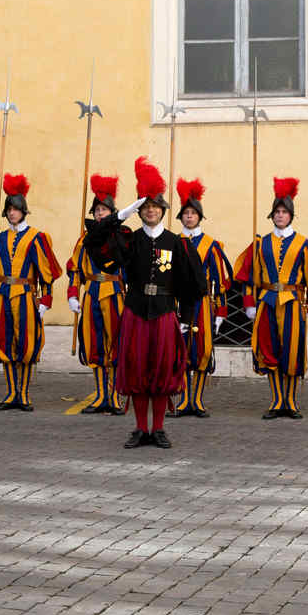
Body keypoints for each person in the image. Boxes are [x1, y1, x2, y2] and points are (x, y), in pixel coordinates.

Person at [83, 156, 206, 448]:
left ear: (163, 210)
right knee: (137, 370)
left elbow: (191, 287)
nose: (150, 211)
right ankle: (140, 428)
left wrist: (187, 321)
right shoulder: (129, 239)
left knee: (162, 372)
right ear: (140, 210)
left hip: (164, 313)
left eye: (154, 206)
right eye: (145, 207)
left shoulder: (178, 243)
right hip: (136, 312)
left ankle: (159, 428)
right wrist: (121, 214)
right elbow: (94, 241)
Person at [234, 177, 308, 419]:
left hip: (293, 304)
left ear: (291, 215)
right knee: (270, 350)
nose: (279, 216)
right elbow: (248, 276)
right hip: (266, 301)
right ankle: (277, 401)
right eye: (276, 212)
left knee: (292, 352)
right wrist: (248, 304)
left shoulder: (304, 244)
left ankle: (291, 402)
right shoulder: (260, 243)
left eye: (284, 212)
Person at [0, 173, 62, 411]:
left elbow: (46, 272)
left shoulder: (36, 237)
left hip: (26, 296)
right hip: (2, 294)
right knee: (5, 343)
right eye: (9, 209)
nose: (12, 212)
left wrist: (45, 299)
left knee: (25, 345)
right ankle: (10, 393)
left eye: (16, 209)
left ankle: (23, 394)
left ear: (23, 210)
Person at [168, 177, 234, 418]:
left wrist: (222, 311)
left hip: (203, 303)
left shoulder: (212, 245)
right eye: (185, 213)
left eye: (193, 214)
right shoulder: (172, 242)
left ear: (199, 217)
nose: (189, 217)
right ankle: (184, 400)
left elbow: (221, 281)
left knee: (203, 350)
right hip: (179, 302)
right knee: (181, 350)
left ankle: (197, 400)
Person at [67, 174, 127, 414]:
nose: (100, 213)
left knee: (116, 345)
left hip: (114, 293)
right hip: (91, 293)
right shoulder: (83, 240)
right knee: (95, 346)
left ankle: (114, 396)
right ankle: (100, 396)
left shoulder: (122, 236)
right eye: (97, 210)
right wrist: (72, 294)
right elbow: (75, 269)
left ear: (112, 212)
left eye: (104, 210)